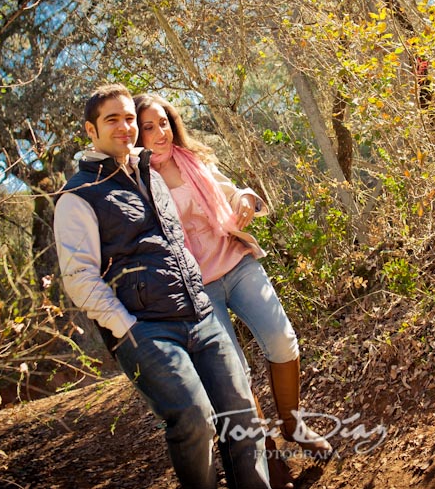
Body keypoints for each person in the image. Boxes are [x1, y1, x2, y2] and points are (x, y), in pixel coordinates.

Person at [53, 84, 270, 489]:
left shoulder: (151, 171)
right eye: (112, 119)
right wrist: (126, 326)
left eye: (129, 118)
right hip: (145, 329)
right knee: (195, 419)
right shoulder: (77, 196)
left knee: (241, 412)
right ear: (90, 129)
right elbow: (79, 278)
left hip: (199, 313)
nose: (125, 127)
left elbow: (176, 241)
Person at [134, 93, 333, 486]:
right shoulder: (140, 183)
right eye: (149, 127)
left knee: (282, 340)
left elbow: (233, 192)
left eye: (164, 122)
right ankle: (268, 453)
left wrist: (243, 197)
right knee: (235, 378)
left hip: (236, 262)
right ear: (137, 136)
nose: (161, 133)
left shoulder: (194, 161)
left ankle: (293, 425)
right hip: (198, 289)